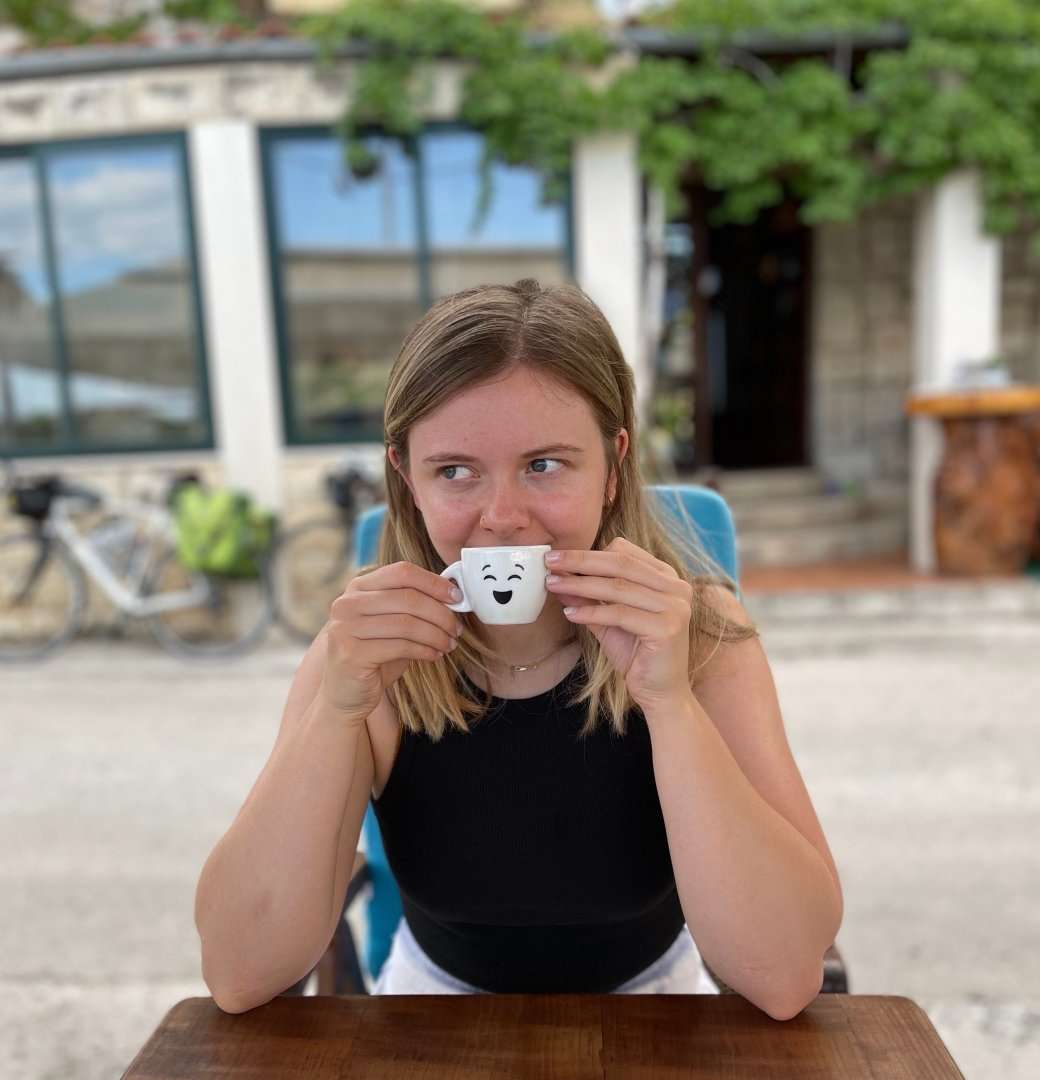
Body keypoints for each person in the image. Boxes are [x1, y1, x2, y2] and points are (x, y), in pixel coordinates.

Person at [194, 279, 843, 1019]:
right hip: (431, 1013)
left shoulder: (699, 636)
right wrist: (339, 708)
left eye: (544, 465)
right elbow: (240, 973)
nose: (502, 520)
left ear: (613, 466)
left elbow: (787, 972)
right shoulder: (365, 655)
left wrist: (668, 702)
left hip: (657, 1010)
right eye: (455, 471)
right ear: (407, 479)